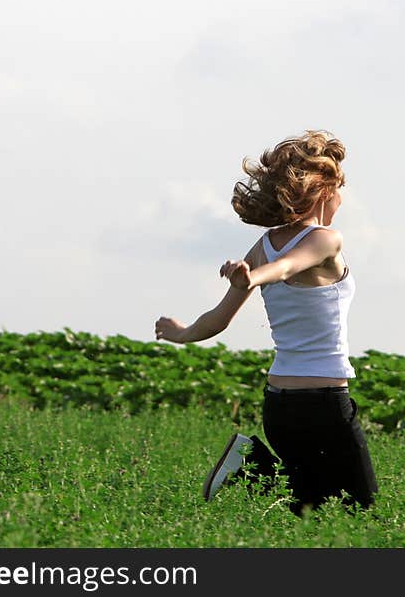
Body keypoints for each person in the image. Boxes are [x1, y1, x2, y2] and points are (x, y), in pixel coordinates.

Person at [154, 130, 378, 515]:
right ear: (326, 191)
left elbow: (218, 320)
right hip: (323, 405)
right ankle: (246, 465)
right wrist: (253, 278)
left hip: (279, 407)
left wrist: (182, 334)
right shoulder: (326, 240)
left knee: (311, 507)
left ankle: (250, 462)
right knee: (360, 506)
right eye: (340, 187)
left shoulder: (264, 246)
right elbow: (289, 266)